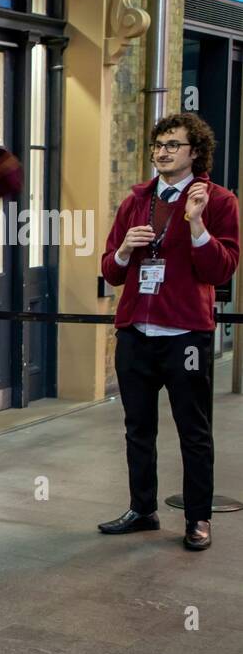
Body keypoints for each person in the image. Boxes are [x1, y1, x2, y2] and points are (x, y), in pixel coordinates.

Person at [98, 113, 239, 551]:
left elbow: (222, 269)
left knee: (192, 431)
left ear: (195, 151)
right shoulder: (137, 200)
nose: (162, 151)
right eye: (158, 144)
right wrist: (123, 249)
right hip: (136, 332)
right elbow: (110, 273)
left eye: (173, 144)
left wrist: (196, 226)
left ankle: (198, 518)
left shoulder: (218, 201)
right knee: (137, 427)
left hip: (185, 336)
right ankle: (143, 509)